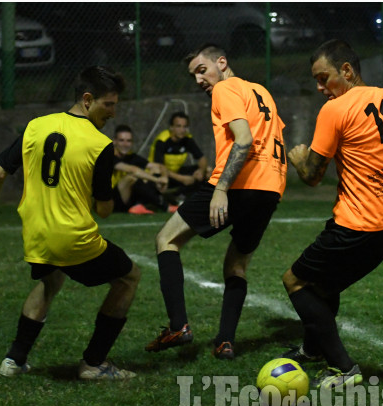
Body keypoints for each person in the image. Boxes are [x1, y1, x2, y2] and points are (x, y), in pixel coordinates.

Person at [281, 39, 383, 389]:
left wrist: (297, 157)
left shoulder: (335, 109)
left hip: (357, 225)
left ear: (346, 70)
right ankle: (313, 349)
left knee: (295, 280)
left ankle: (344, 368)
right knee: (326, 284)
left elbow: (312, 176)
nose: (319, 87)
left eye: (324, 77)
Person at [0, 66, 140, 380]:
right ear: (88, 100)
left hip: (36, 234)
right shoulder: (100, 144)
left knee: (50, 282)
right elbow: (104, 210)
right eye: (109, 104)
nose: (113, 112)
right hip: (73, 238)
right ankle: (94, 364)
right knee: (129, 278)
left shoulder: (36, 125)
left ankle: (14, 360)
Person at [144, 44, 287, 359]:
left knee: (166, 239)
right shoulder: (260, 91)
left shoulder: (225, 88)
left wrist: (222, 188)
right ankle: (225, 341)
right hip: (270, 187)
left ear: (222, 62)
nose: (198, 80)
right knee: (236, 264)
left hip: (238, 182)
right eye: (194, 75)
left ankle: (178, 326)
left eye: (201, 70)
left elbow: (244, 138)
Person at [111, 124, 176, 215]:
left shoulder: (131, 156)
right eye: (121, 141)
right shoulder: (108, 156)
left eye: (128, 141)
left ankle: (138, 205)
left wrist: (164, 178)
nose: (125, 144)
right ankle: (166, 207)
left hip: (127, 198)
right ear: (114, 141)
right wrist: (157, 180)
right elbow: (133, 170)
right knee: (133, 176)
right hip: (110, 201)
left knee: (153, 171)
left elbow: (160, 167)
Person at [148, 112, 209, 201]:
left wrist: (201, 171)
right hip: (161, 174)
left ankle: (187, 197)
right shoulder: (162, 140)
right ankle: (168, 198)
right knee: (160, 176)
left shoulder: (187, 138)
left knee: (207, 171)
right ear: (171, 127)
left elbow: (202, 158)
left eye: (185, 127)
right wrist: (182, 179)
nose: (182, 130)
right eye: (178, 126)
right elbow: (160, 167)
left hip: (175, 172)